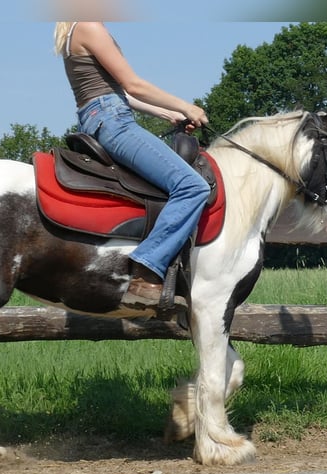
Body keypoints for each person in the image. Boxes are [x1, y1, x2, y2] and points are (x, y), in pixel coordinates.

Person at [54, 21, 211, 309]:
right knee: (192, 186)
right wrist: (187, 106)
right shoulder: (89, 26)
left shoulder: (74, 29)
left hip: (102, 115)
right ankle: (147, 267)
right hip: (113, 121)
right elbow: (133, 84)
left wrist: (167, 113)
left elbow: (119, 92)